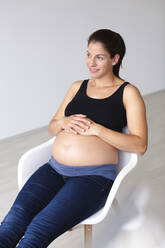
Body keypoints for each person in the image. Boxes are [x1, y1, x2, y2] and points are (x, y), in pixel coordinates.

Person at [0, 29, 148, 248]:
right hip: (53, 169)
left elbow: (140, 144)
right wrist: (63, 122)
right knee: (10, 225)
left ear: (115, 59)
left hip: (92, 178)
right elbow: (53, 126)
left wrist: (98, 130)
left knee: (37, 231)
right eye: (88, 54)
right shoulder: (77, 86)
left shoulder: (128, 92)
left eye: (99, 57)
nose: (91, 62)